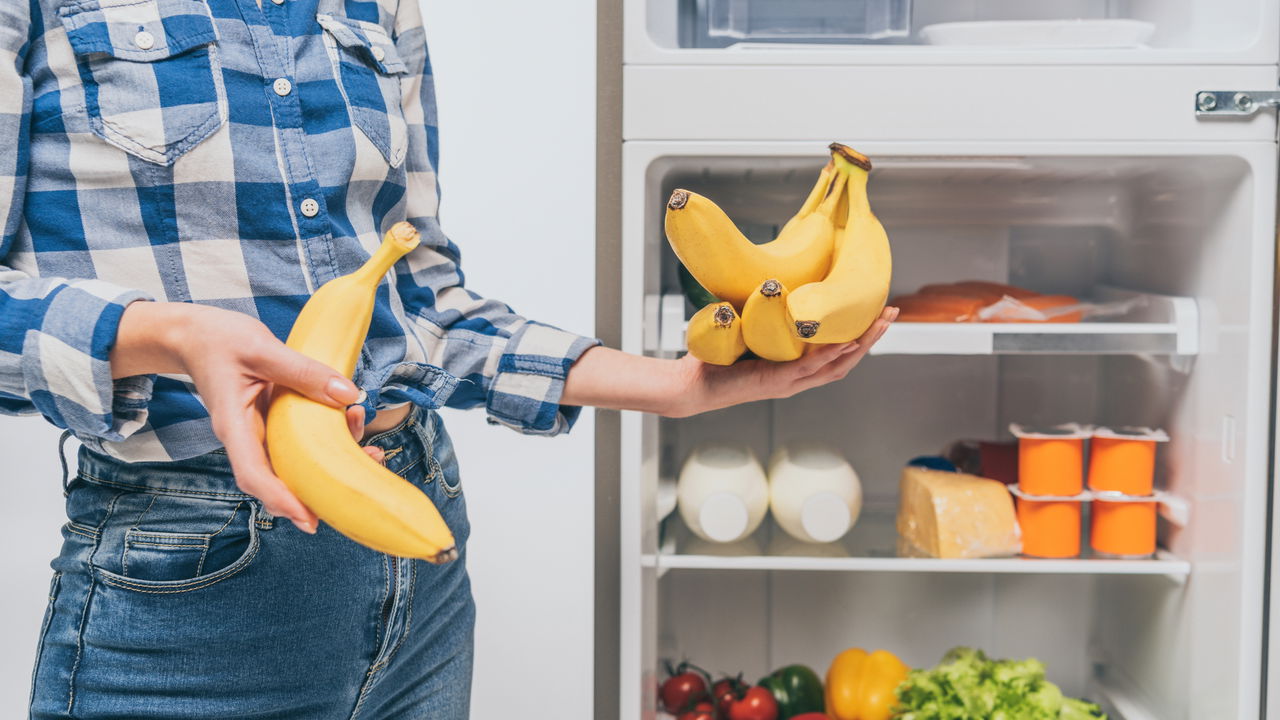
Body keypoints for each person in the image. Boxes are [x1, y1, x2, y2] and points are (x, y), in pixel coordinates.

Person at [3, 1, 897, 718]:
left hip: (416, 549)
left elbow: (419, 300)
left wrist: (677, 386)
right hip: (189, 580)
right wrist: (166, 335)